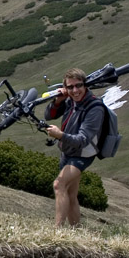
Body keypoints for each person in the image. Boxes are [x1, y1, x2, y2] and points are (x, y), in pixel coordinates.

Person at [43, 68, 104, 228]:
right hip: (68, 151)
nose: (75, 90)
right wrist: (58, 100)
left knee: (59, 185)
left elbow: (83, 140)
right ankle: (77, 231)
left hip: (83, 154)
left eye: (79, 86)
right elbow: (49, 116)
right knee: (71, 194)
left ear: (85, 85)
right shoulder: (70, 100)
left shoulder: (95, 108)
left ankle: (57, 231)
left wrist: (60, 135)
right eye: (70, 87)